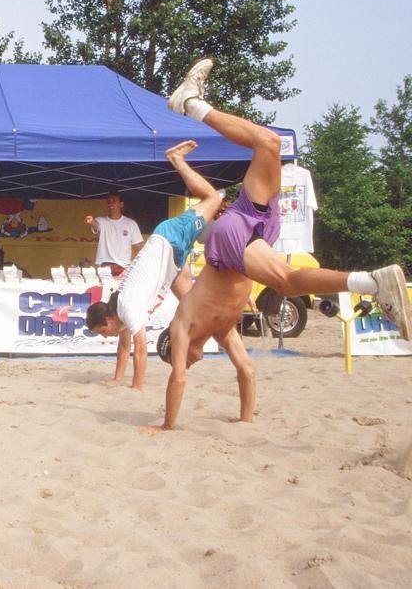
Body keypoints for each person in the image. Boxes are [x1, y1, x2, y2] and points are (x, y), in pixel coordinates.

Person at [142, 58, 411, 435]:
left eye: (182, 359)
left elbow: (179, 379)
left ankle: (371, 282)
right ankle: (191, 104)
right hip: (252, 236)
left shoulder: (183, 325)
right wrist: (246, 420)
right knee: (270, 142)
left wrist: (166, 425)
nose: (190, 363)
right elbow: (247, 371)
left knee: (286, 279)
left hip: (230, 242)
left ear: (175, 350)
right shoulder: (222, 331)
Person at [85, 140, 222, 389]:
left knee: (213, 198)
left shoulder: (126, 306)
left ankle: (177, 159)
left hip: (170, 238)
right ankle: (204, 342)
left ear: (108, 320)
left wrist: (136, 388)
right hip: (173, 259)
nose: (106, 337)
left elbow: (140, 349)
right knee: (193, 306)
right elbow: (124, 346)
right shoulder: (119, 312)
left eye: (103, 332)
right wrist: (118, 379)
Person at [84, 192, 143, 276]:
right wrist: (91, 221)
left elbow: (138, 247)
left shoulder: (131, 223)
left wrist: (133, 267)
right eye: (109, 202)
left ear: (121, 204)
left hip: (123, 267)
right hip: (104, 266)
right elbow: (96, 224)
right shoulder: (101, 220)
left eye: (114, 201)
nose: (111, 204)